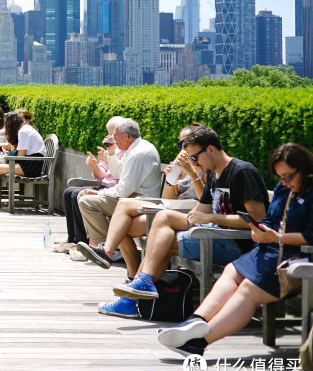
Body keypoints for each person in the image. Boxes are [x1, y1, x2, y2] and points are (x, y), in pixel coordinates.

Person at [93, 125, 268, 320]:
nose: (193, 163)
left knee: (162, 244)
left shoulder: (241, 172)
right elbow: (199, 211)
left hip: (238, 244)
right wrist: (181, 206)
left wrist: (211, 218)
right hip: (214, 235)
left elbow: (258, 220)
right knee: (163, 222)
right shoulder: (215, 174)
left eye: (194, 157)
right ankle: (140, 284)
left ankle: (132, 297)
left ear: (210, 149)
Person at [156, 143, 313, 358]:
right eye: (280, 178)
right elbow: (269, 218)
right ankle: (196, 321)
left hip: (295, 256)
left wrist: (277, 237)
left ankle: (198, 342)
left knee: (248, 288)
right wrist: (259, 229)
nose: (285, 182)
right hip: (268, 249)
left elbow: (310, 236)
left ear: (304, 169)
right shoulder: (284, 189)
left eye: (289, 176)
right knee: (232, 270)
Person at [76, 124, 205, 277]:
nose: (183, 148)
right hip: (171, 209)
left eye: (187, 144)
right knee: (120, 222)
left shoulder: (206, 166)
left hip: (188, 214)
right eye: (180, 144)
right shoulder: (182, 165)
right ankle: (128, 270)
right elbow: (169, 198)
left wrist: (191, 172)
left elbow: (205, 200)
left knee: (120, 216)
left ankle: (113, 256)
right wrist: (172, 179)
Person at [76, 118, 161, 246]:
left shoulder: (137, 153)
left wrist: (98, 194)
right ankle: (98, 243)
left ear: (126, 136)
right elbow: (117, 173)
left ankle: (108, 246)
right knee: (82, 195)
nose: (113, 139)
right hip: (132, 197)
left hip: (141, 201)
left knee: (86, 201)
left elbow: (123, 190)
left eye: (115, 136)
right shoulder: (134, 148)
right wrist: (111, 153)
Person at [51, 116, 125, 255]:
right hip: (104, 186)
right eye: (109, 133)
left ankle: (82, 241)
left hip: (113, 191)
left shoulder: (124, 151)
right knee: (69, 192)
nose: (109, 137)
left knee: (76, 194)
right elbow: (101, 176)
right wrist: (94, 166)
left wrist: (109, 159)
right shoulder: (111, 149)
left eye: (112, 134)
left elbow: (120, 175)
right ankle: (73, 237)